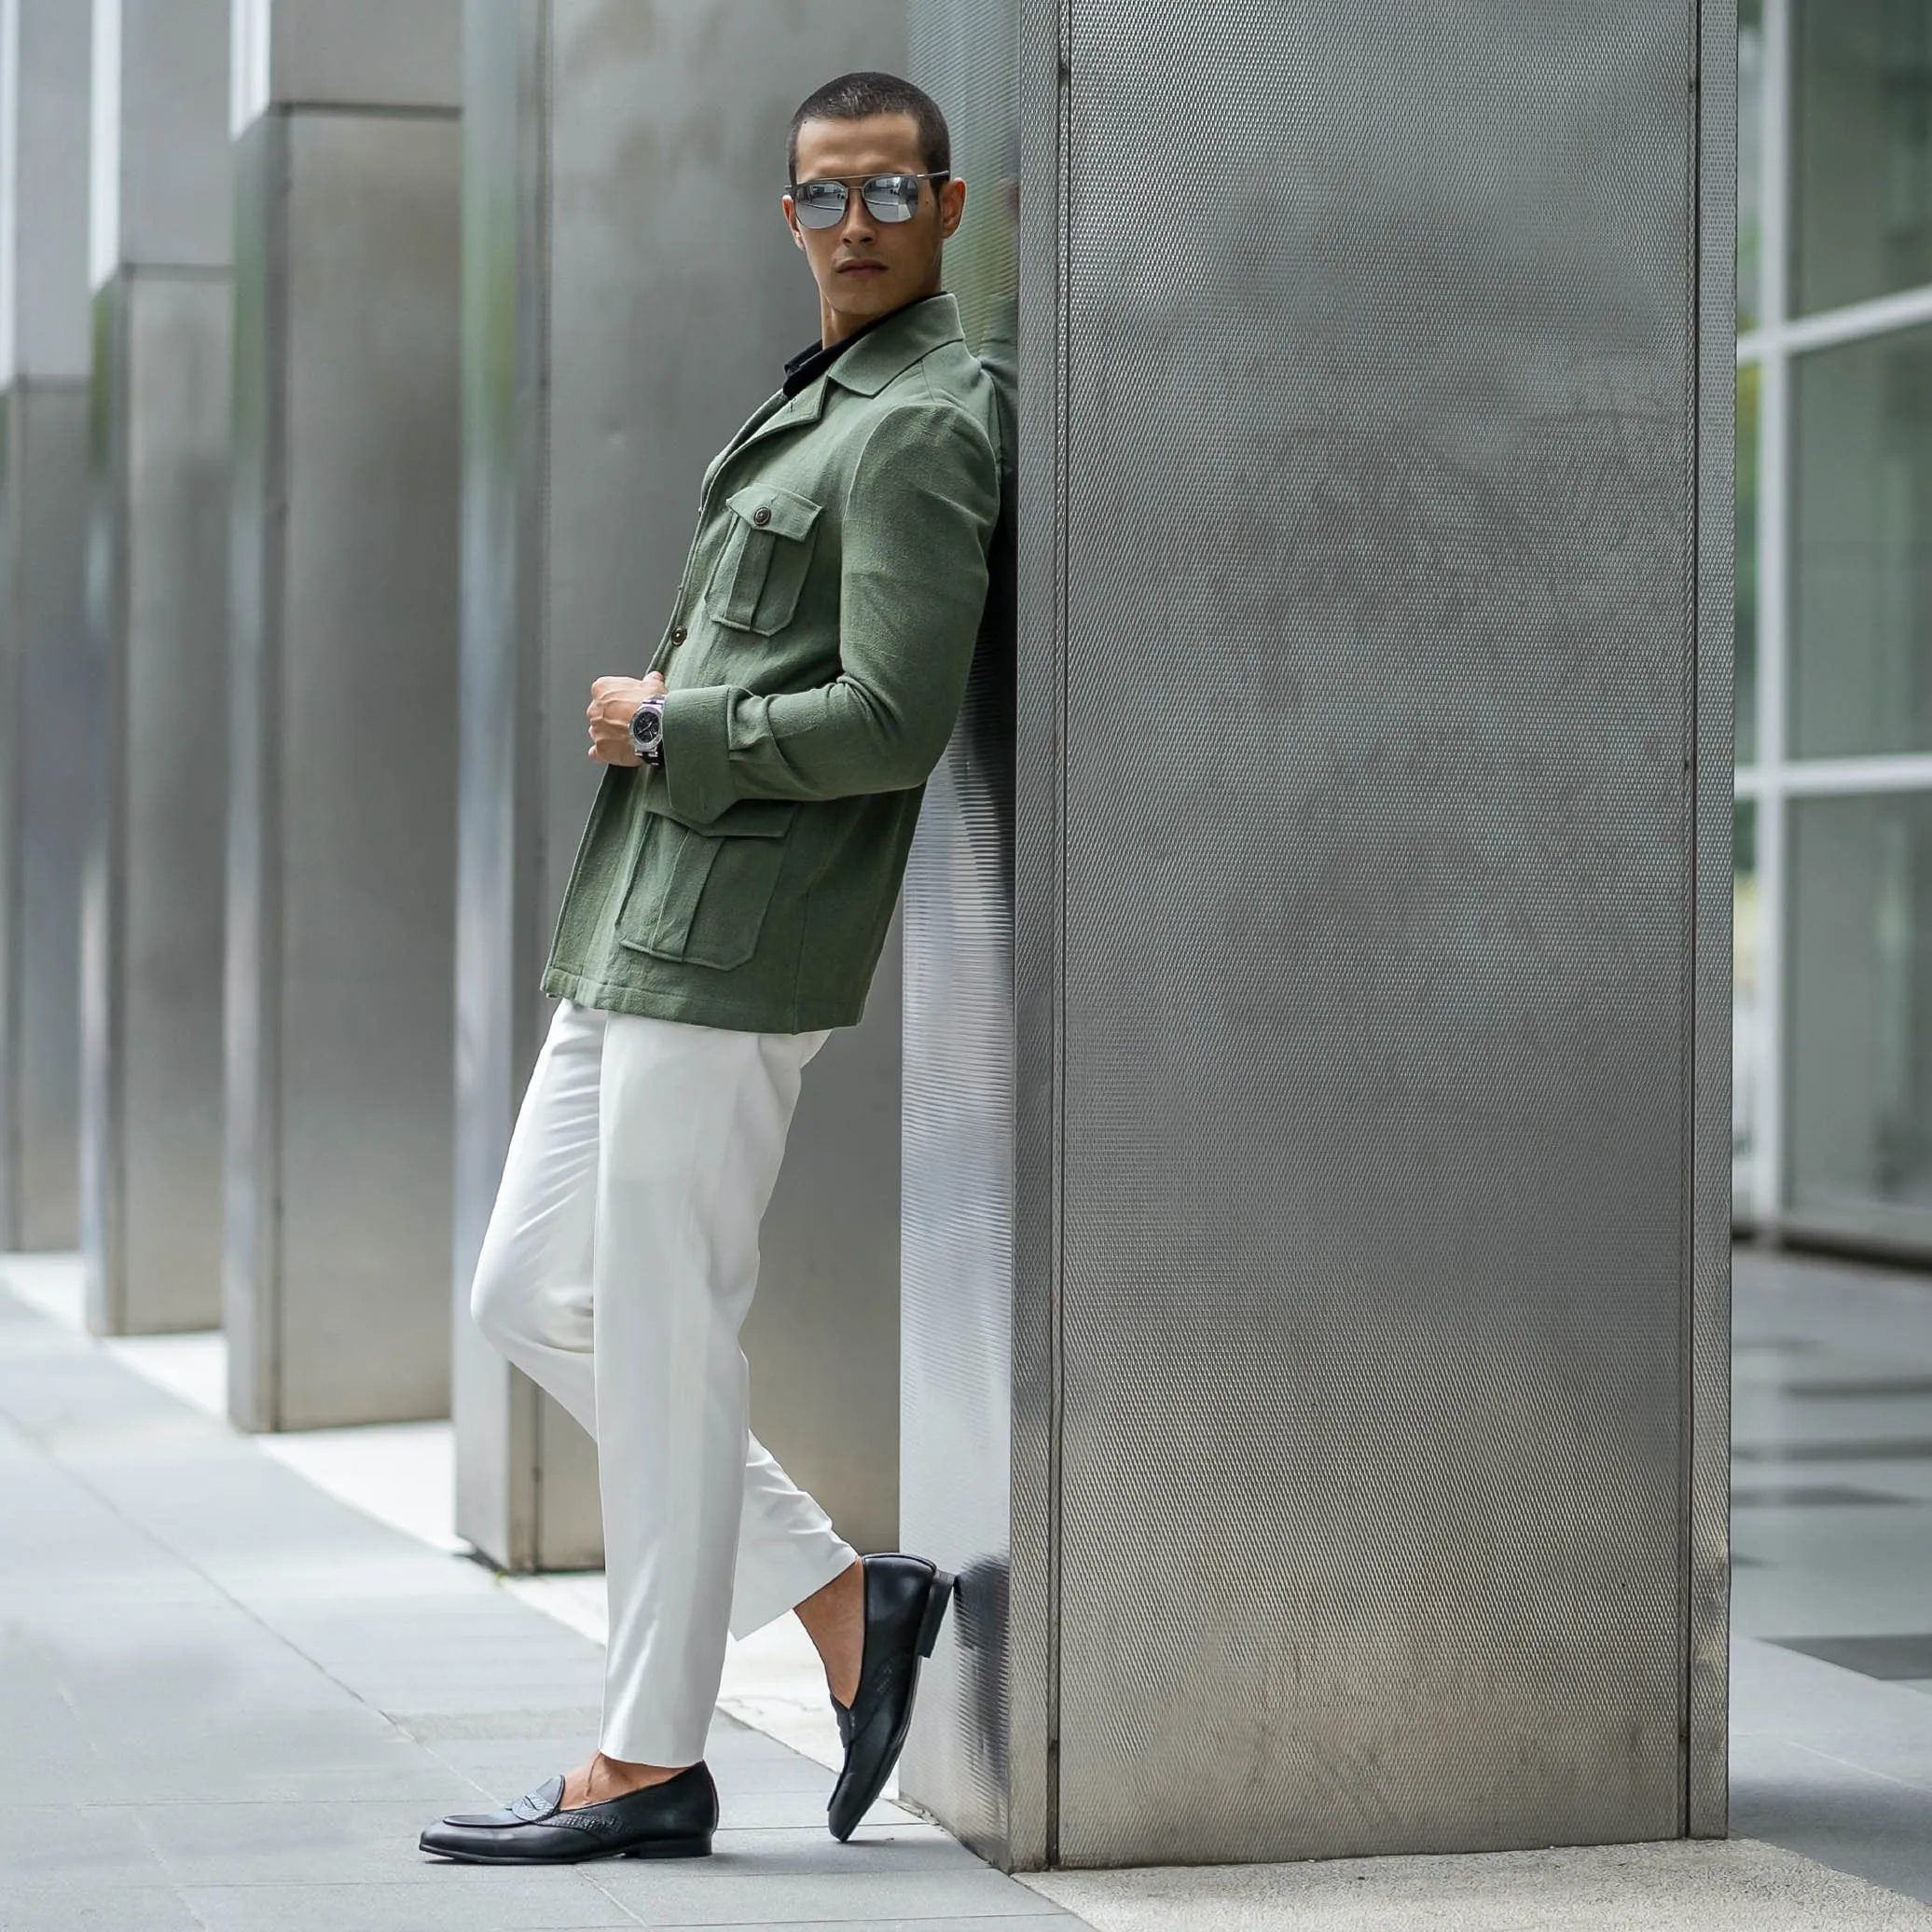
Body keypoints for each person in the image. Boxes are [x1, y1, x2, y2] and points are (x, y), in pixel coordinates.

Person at [416, 71, 1000, 1868]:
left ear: (946, 208)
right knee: (531, 1293)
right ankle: (843, 1602)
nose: (852, 228)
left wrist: (682, 720)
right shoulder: (818, 397)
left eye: (886, 195)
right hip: (641, 923)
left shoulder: (922, 421)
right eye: (822, 199)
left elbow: (896, 718)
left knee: (667, 1336)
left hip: (740, 941)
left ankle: (644, 1759)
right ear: (788, 216)